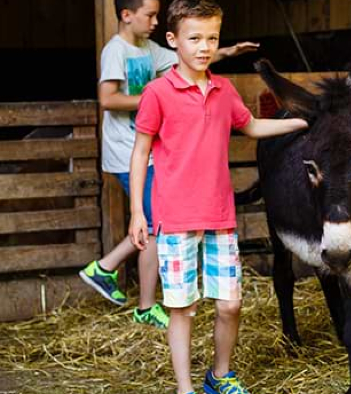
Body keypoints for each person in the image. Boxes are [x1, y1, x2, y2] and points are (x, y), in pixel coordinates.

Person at [128, 1, 308, 393]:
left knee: (230, 305)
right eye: (195, 38)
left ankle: (220, 375)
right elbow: (141, 151)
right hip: (174, 218)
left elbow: (252, 126)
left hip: (220, 216)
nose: (205, 47)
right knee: (183, 307)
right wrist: (136, 215)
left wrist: (303, 121)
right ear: (173, 40)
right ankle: (184, 387)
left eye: (212, 38)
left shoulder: (224, 90)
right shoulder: (158, 93)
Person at [79, 0, 259, 329]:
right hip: (126, 148)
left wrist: (230, 51)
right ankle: (118, 278)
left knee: (156, 221)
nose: (155, 21)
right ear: (126, 15)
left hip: (151, 151)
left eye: (157, 14)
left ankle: (119, 279)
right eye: (149, 15)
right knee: (157, 222)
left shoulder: (149, 48)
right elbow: (107, 99)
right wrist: (162, 100)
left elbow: (192, 55)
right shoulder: (116, 51)